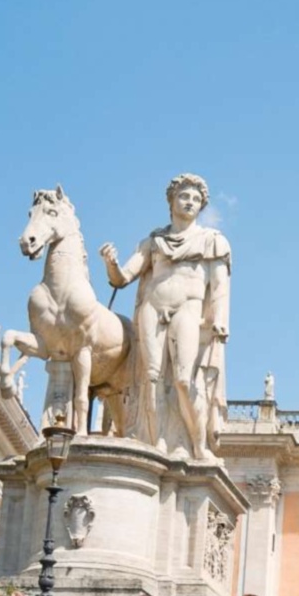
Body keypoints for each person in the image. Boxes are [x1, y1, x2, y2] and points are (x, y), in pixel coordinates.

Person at [100, 173, 232, 460]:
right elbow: (123, 278)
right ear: (171, 201)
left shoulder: (212, 241)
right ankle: (156, 441)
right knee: (150, 379)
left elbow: (220, 285)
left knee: (184, 379)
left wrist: (220, 318)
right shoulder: (154, 242)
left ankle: (198, 445)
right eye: (184, 196)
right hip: (152, 306)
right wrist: (110, 263)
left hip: (189, 307)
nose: (190, 202)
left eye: (196, 199)